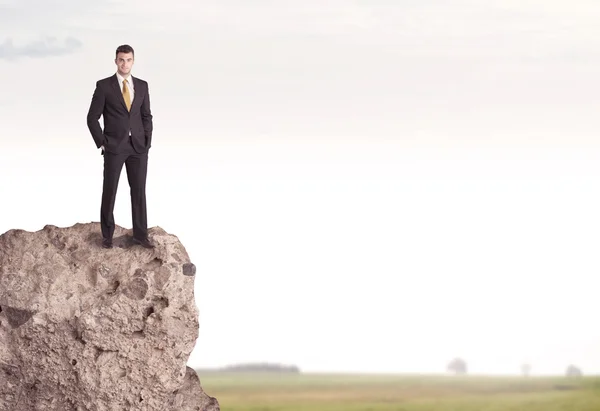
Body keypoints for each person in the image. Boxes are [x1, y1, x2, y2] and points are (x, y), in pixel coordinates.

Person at [87, 44, 154, 249]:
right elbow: (92, 118)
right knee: (110, 190)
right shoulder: (104, 86)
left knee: (139, 191)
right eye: (121, 60)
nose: (125, 63)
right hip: (114, 147)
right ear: (116, 61)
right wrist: (103, 142)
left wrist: (147, 141)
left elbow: (146, 116)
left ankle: (140, 235)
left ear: (133, 61)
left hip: (138, 148)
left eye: (129, 60)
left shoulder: (142, 86)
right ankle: (107, 236)